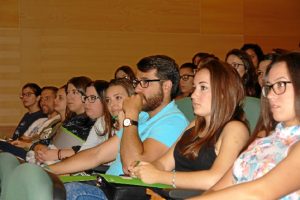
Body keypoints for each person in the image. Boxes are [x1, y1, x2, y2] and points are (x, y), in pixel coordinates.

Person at [48, 55, 189, 200]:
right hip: (108, 188)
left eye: (145, 82)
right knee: (46, 184)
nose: (138, 89)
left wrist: (131, 115)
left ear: (166, 86)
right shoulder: (143, 117)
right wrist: (46, 170)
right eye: (137, 82)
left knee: (66, 192)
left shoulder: (173, 121)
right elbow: (97, 154)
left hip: (127, 195)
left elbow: (132, 166)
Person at [190, 52, 300, 200]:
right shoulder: (264, 139)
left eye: (280, 84)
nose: (270, 96)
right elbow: (217, 189)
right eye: (268, 87)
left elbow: (261, 192)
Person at [130, 59, 249, 190]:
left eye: (203, 88)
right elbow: (164, 164)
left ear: (223, 93)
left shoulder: (235, 129)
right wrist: (144, 168)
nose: (193, 95)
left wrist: (159, 176)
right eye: (195, 88)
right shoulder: (196, 124)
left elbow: (217, 178)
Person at [33, 76, 94, 162]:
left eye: (74, 92)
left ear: (86, 94)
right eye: (68, 92)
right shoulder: (69, 121)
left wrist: (58, 154)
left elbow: (92, 152)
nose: (69, 96)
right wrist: (39, 148)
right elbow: (44, 143)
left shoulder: (92, 122)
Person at [0, 86, 61, 159]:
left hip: (33, 154)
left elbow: (44, 144)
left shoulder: (58, 122)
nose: (43, 102)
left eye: (47, 98)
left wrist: (26, 143)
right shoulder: (42, 121)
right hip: (28, 150)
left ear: (56, 100)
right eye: (42, 99)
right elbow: (30, 138)